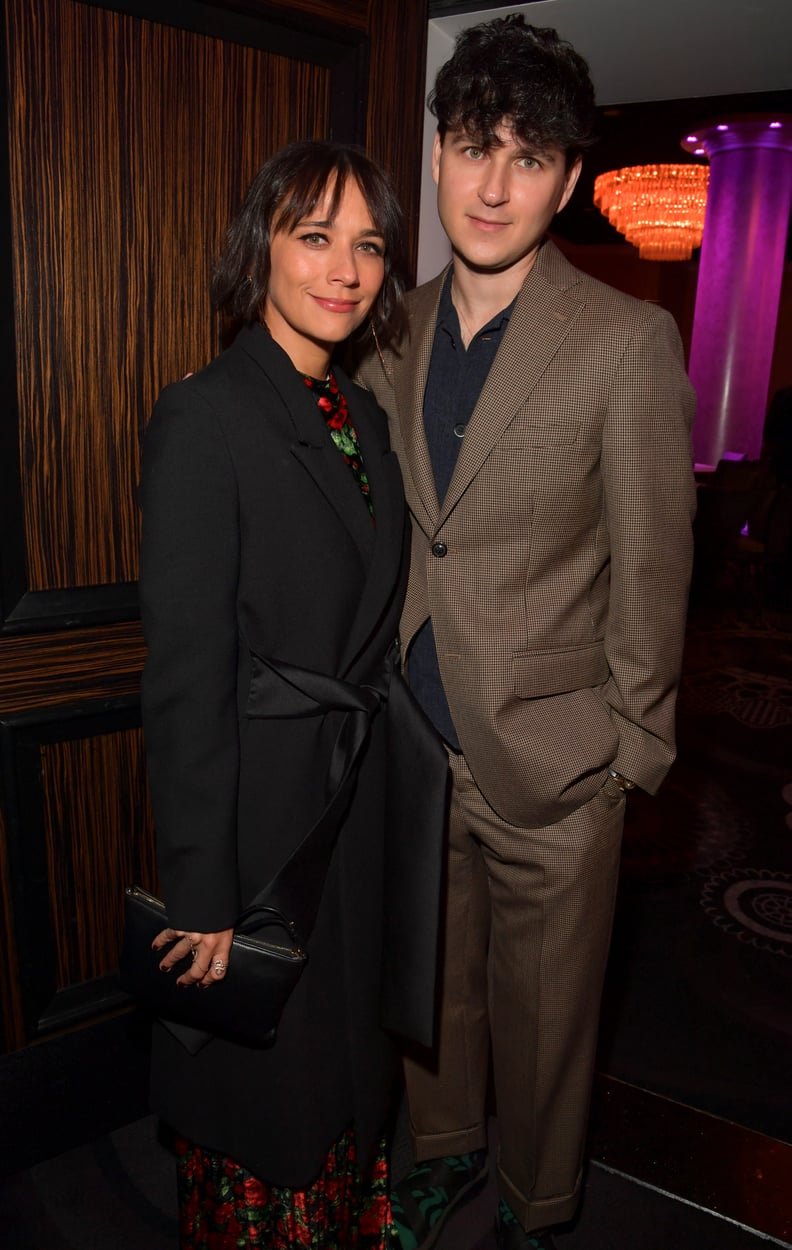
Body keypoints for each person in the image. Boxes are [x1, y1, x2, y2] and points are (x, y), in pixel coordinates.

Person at [356, 17, 696, 1250]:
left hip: (558, 757)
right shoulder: (388, 323)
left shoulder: (625, 341)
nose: (491, 184)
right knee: (431, 989)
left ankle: (541, 1201)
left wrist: (629, 755)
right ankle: (442, 1147)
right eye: (466, 146)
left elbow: (658, 564)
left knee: (548, 1017)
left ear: (564, 176)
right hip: (411, 737)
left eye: (525, 154)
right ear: (437, 159)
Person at [138, 140, 445, 1250]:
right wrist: (201, 890)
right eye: (315, 235)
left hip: (350, 807)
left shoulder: (358, 417)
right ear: (258, 245)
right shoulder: (204, 415)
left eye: (368, 243)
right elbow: (182, 675)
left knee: (345, 1075)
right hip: (261, 824)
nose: (346, 268)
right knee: (267, 1090)